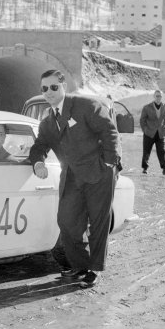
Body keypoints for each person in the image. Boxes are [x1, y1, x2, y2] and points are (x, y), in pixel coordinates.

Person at [28, 69, 121, 288]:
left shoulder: (85, 106)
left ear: (64, 87)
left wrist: (109, 163)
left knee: (99, 223)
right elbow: (40, 145)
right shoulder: (48, 121)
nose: (48, 92)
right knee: (66, 221)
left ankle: (94, 269)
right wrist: (38, 162)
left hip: (99, 173)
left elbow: (110, 132)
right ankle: (80, 264)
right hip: (71, 177)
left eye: (53, 87)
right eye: (44, 88)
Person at [140, 90, 165, 175]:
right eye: (157, 96)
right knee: (147, 151)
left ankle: (164, 168)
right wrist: (145, 130)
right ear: (154, 97)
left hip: (161, 132)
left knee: (162, 151)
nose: (158, 98)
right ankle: (145, 168)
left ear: (162, 97)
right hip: (149, 133)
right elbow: (142, 120)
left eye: (160, 96)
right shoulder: (147, 107)